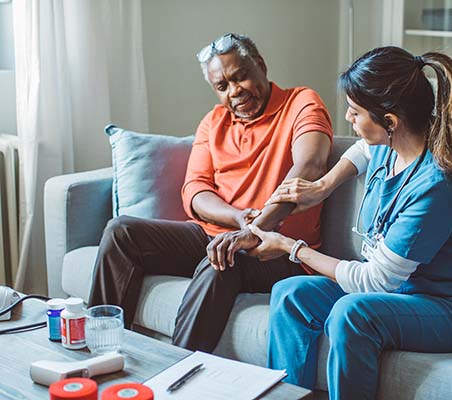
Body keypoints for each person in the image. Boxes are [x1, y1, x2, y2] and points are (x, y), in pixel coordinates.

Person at [247, 46, 452, 400]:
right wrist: (322, 187)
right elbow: (361, 151)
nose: (349, 120)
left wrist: (291, 248)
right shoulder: (389, 143)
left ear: (391, 120)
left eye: (355, 112)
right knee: (290, 293)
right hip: (399, 295)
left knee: (351, 313)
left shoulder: (436, 183)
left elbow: (374, 280)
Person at [88, 33, 333, 352]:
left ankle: (174, 372)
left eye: (240, 77)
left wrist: (255, 229)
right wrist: (236, 217)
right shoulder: (213, 122)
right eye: (222, 87)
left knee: (222, 259)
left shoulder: (301, 102)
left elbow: (310, 166)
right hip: (219, 234)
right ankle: (98, 350)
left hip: (277, 249)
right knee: (121, 232)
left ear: (260, 65)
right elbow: (195, 190)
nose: (235, 92)